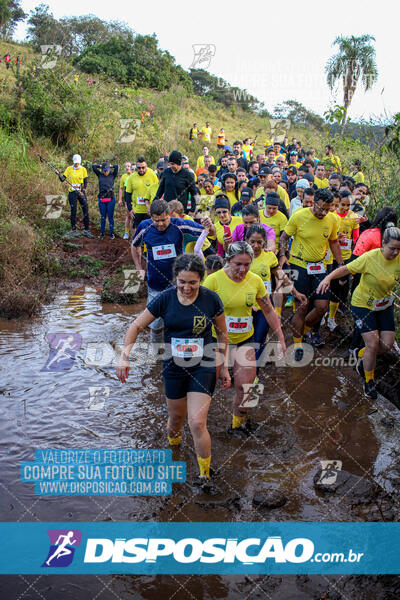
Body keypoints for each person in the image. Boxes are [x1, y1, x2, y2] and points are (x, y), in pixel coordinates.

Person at [117, 254, 230, 487]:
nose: (187, 288)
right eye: (182, 282)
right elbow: (136, 325)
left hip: (204, 365)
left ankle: (204, 476)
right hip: (174, 366)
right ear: (175, 279)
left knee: (197, 423)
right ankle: (174, 449)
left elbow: (222, 333)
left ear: (201, 280)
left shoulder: (211, 300)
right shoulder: (165, 299)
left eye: (193, 283)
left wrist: (224, 365)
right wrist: (124, 357)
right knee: (176, 419)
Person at [203, 241, 286, 433]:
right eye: (238, 264)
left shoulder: (255, 280)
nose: (242, 269)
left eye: (247, 264)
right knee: (206, 388)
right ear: (228, 261)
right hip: (216, 342)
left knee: (248, 389)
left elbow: (268, 310)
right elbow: (198, 312)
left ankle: (237, 426)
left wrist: (281, 338)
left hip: (244, 340)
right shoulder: (213, 281)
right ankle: (197, 425)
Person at [317, 227, 400, 400]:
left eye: (399, 249)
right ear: (383, 243)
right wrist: (328, 278)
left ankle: (359, 353)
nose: (395, 252)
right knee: (372, 343)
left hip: (384, 305)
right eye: (392, 248)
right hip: (362, 304)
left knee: (386, 345)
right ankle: (368, 381)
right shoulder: (370, 258)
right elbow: (346, 269)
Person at [131, 199, 216, 350]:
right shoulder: (144, 227)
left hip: (179, 285)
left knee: (180, 320)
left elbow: (208, 231)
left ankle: (179, 352)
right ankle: (157, 354)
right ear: (151, 217)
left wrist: (209, 224)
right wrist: (138, 267)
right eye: (156, 221)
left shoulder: (180, 224)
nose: (160, 224)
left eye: (164, 220)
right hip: (155, 284)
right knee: (155, 325)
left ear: (169, 215)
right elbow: (134, 245)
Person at [278, 188, 343, 361]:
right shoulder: (299, 216)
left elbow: (333, 241)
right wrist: (283, 255)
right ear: (314, 202)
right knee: (302, 305)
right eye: (321, 208)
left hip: (320, 266)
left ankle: (303, 330)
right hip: (299, 264)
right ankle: (298, 344)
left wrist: (341, 265)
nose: (323, 212)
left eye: (327, 209)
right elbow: (284, 238)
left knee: (322, 306)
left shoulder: (332, 219)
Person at [246, 224, 305, 366]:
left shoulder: (269, 257)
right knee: (246, 339)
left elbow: (281, 275)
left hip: (264, 306)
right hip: (244, 306)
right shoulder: (241, 256)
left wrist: (295, 292)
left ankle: (255, 373)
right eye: (252, 241)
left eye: (259, 242)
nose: (255, 245)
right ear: (247, 240)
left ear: (264, 242)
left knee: (259, 338)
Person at [326, 191, 360, 331]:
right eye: (342, 204)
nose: (345, 208)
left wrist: (350, 241)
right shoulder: (332, 217)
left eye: (348, 205)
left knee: (342, 285)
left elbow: (356, 238)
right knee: (331, 285)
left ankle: (334, 314)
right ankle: (327, 315)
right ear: (337, 203)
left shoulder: (354, 217)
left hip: (345, 257)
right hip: (330, 257)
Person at [59, 154, 93, 238]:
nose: (77, 164)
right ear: (73, 162)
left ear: (80, 162)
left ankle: (86, 230)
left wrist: (83, 190)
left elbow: (85, 182)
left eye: (78, 163)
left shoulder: (83, 169)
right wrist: (58, 174)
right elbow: (62, 179)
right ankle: (74, 230)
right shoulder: (69, 169)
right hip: (72, 192)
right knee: (73, 210)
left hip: (81, 192)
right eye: (75, 163)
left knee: (85, 209)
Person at [125, 157, 159, 236]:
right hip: (137, 210)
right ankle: (135, 243)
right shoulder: (132, 177)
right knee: (137, 230)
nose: (141, 170)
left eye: (143, 167)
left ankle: (146, 246)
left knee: (149, 230)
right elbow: (128, 194)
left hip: (149, 210)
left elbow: (158, 189)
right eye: (139, 168)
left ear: (146, 166)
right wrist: (130, 209)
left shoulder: (152, 174)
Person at [92, 161, 119, 239]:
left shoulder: (112, 175)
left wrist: (110, 165)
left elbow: (117, 166)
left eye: (107, 170)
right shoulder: (100, 174)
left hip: (110, 198)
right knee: (103, 216)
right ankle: (102, 233)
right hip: (102, 198)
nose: (106, 172)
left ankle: (111, 233)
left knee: (110, 216)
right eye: (104, 170)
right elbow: (93, 166)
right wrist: (101, 166)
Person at [118, 162, 133, 239]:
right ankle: (126, 232)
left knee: (134, 216)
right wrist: (120, 199)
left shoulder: (134, 176)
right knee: (128, 215)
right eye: (126, 166)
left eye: (129, 166)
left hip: (135, 198)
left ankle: (133, 232)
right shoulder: (124, 177)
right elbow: (121, 188)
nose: (127, 168)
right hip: (127, 198)